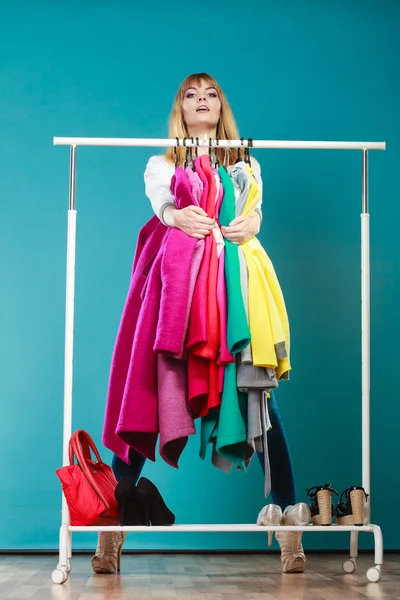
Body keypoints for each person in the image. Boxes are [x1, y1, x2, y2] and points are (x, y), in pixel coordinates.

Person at [91, 73, 307, 575]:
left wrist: (252, 224)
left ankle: (290, 528)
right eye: (192, 95)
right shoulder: (163, 163)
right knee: (152, 397)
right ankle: (113, 528)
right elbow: (161, 205)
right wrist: (173, 213)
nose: (202, 101)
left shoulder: (246, 162)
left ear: (221, 107)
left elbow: (254, 216)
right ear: (180, 110)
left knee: (256, 395)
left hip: (234, 293)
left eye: (211, 94)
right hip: (182, 295)